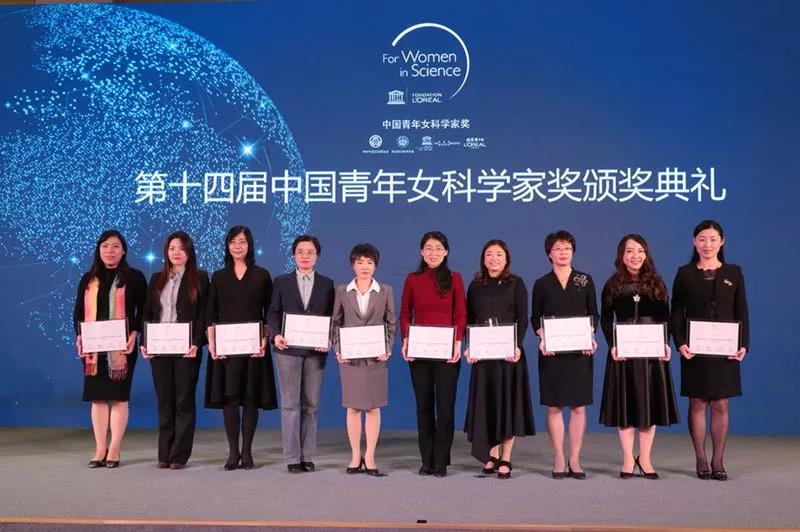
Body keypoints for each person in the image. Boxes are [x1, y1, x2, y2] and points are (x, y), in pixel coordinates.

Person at [671, 220, 749, 481]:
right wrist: (679, 342)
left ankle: (718, 459)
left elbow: (742, 310)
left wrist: (743, 344)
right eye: (702, 239)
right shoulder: (684, 273)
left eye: (713, 239)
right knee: (697, 402)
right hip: (694, 348)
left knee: (720, 403)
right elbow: (676, 311)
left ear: (722, 241)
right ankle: (701, 458)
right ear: (694, 242)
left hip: (725, 349)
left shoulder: (734, 272)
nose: (708, 244)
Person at [599, 234, 679, 479]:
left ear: (647, 254)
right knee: (625, 407)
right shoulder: (612, 284)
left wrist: (665, 344)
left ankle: (644, 458)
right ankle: (627, 458)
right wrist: (613, 345)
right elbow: (605, 320)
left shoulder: (656, 282)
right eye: (630, 251)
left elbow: (666, 317)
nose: (635, 256)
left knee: (648, 406)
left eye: (640, 251)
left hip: (650, 353)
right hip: (623, 352)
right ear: (621, 255)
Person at [73, 229, 146, 469]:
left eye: (115, 246)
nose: (110, 251)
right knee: (98, 399)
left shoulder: (134, 277)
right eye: (105, 246)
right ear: (99, 250)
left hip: (122, 347)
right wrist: (80, 336)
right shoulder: (88, 278)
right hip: (94, 349)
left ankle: (114, 448)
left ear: (123, 250)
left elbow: (144, 310)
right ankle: (99, 449)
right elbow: (78, 312)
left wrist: (134, 334)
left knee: (118, 397)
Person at [205, 225, 275, 470]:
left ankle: (247, 452)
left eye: (242, 242)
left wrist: (265, 339)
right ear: (227, 245)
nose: (237, 246)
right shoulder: (218, 276)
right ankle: (233, 452)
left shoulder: (262, 275)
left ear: (249, 245)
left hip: (254, 347)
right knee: (230, 398)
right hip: (226, 348)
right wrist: (212, 344)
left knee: (251, 397)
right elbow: (211, 313)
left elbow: (269, 313)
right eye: (233, 241)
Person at [464, 239, 535, 479]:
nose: (494, 259)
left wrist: (517, 345)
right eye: (489, 254)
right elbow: (470, 319)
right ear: (483, 259)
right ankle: (491, 455)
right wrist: (470, 347)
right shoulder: (475, 285)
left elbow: (522, 318)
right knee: (487, 404)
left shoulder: (516, 283)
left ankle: (506, 457)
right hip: (484, 357)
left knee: (507, 404)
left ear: (506, 259)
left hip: (508, 356)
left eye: (499, 255)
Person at [531, 230, 598, 479]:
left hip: (579, 352)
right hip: (552, 353)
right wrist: (543, 337)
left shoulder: (585, 280)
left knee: (579, 406)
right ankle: (559, 456)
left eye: (567, 248)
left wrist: (589, 336)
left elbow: (594, 314)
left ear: (573, 251)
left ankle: (575, 458)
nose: (563, 252)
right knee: (554, 406)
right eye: (558, 248)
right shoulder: (541, 283)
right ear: (549, 253)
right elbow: (535, 318)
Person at [399, 231, 466, 477]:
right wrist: (406, 340)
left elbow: (461, 313)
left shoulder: (455, 278)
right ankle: (426, 460)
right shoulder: (413, 279)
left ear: (446, 252)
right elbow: (405, 313)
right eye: (428, 248)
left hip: (447, 353)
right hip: (419, 352)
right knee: (423, 407)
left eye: (438, 248)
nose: (433, 253)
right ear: (421, 252)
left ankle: (441, 461)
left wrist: (458, 342)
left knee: (445, 408)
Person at [140, 231, 209, 469]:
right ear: (166, 252)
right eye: (172, 248)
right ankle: (164, 453)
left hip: (187, 349)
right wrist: (145, 342)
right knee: (164, 401)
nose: (176, 252)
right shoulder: (156, 279)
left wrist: (197, 342)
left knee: (183, 401)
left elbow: (203, 315)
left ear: (189, 252)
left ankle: (179, 455)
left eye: (181, 248)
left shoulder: (200, 278)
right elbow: (147, 313)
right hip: (159, 348)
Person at [267, 235, 335, 473]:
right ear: (294, 255)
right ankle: (292, 457)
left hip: (315, 352)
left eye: (310, 252)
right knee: (290, 405)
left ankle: (307, 455)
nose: (305, 256)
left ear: (317, 255)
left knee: (311, 405)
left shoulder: (327, 284)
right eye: (300, 252)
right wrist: (275, 335)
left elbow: (332, 317)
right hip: (287, 350)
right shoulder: (281, 282)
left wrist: (328, 338)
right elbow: (273, 313)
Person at [330, 243, 396, 477]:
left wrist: (387, 347)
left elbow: (391, 322)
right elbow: (336, 322)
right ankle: (355, 455)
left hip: (376, 358)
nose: (365, 266)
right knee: (353, 407)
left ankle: (370, 457)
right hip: (350, 359)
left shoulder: (385, 290)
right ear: (353, 265)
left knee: (374, 407)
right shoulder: (342, 291)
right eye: (360, 262)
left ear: (375, 265)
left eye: (369, 262)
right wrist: (338, 348)